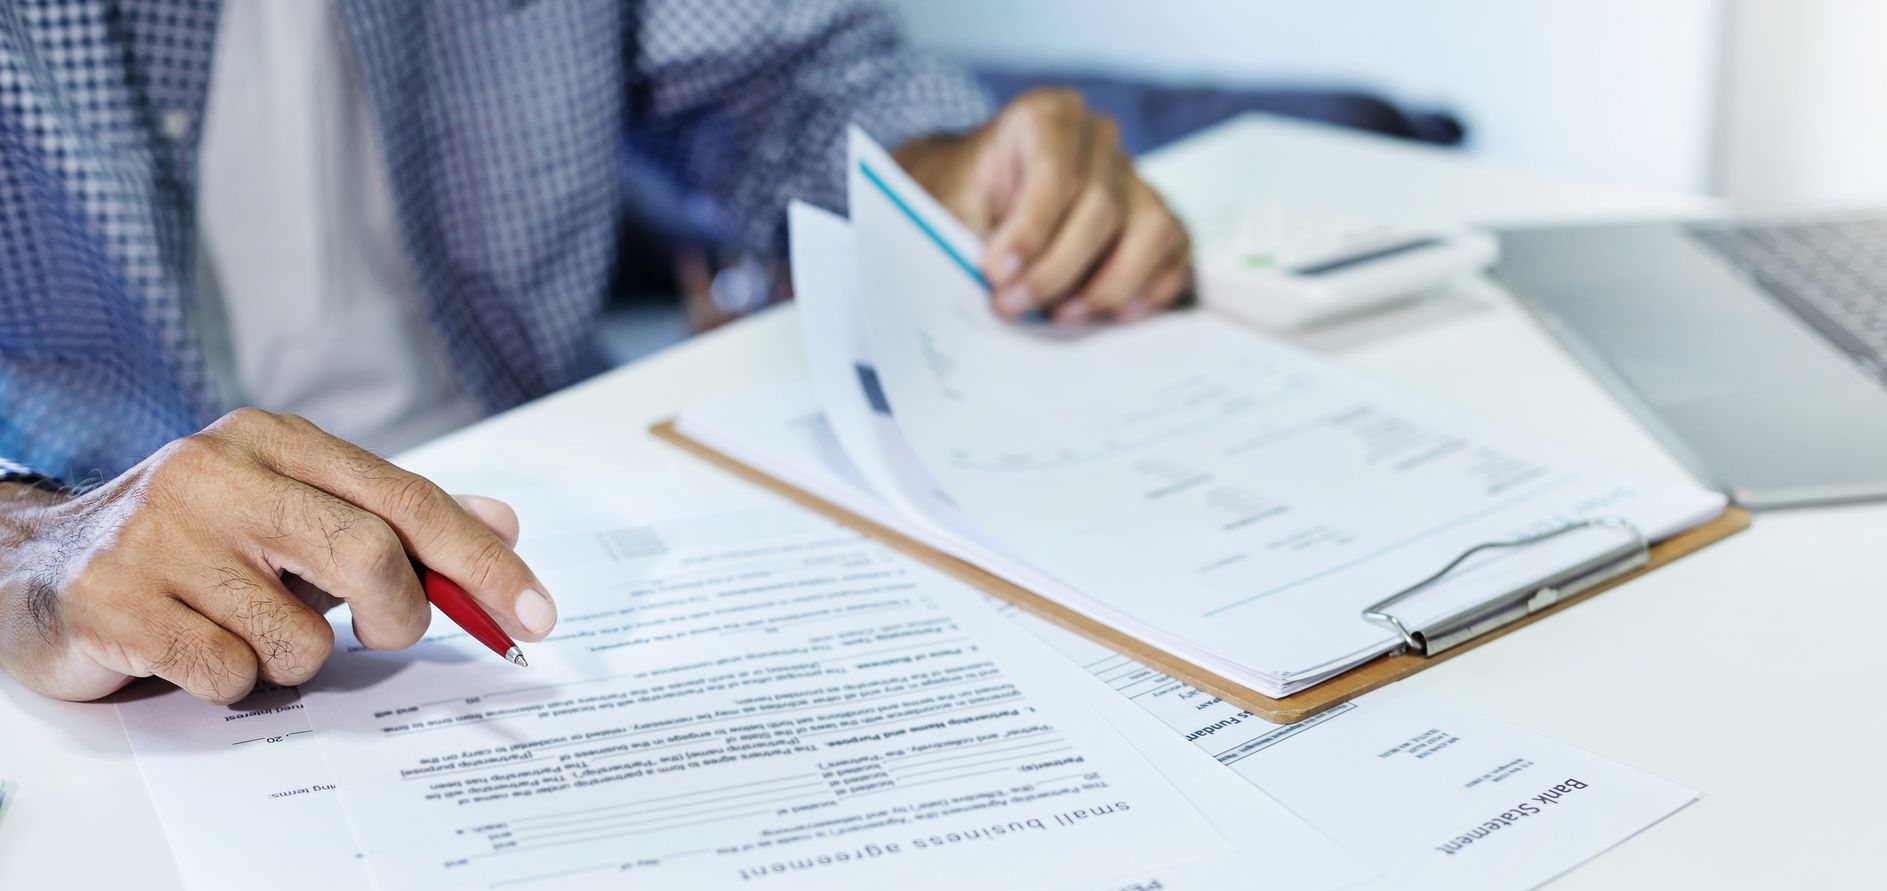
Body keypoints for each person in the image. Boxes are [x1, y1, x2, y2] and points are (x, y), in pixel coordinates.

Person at [0, 1, 1191, 706]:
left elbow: (785, 82)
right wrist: (33, 550)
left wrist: (946, 176)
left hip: (543, 496)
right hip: (84, 615)